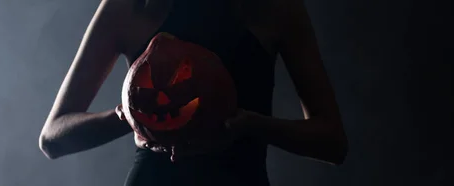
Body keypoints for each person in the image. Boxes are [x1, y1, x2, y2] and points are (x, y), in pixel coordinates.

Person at [38, 0, 348, 185]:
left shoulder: (274, 8)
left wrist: (250, 124)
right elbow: (53, 137)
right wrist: (132, 116)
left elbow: (332, 142)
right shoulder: (129, 7)